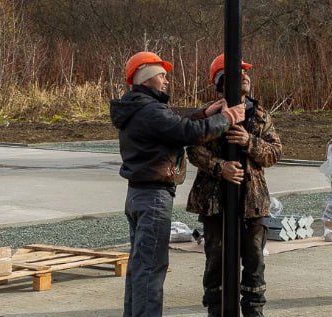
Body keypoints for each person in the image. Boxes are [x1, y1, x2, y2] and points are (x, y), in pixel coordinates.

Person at [110, 51, 245, 317]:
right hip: (153, 198)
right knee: (151, 268)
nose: (166, 80)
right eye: (161, 75)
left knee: (140, 267)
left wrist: (204, 113)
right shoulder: (150, 110)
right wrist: (227, 118)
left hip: (137, 195)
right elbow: (188, 132)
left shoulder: (137, 107)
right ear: (145, 79)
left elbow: (175, 125)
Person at [186, 54, 283, 317]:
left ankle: (254, 312)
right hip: (215, 200)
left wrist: (249, 142)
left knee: (254, 262)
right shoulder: (210, 113)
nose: (246, 77)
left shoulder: (260, 114)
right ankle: (216, 311)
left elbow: (275, 152)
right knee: (215, 261)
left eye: (246, 73)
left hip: (252, 201)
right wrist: (221, 167)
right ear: (222, 80)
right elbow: (193, 150)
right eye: (239, 73)